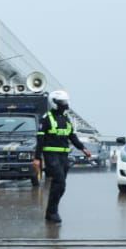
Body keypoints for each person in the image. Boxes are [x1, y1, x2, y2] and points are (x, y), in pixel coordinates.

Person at [34, 90, 92, 224]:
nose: (65, 105)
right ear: (54, 103)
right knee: (59, 181)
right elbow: (40, 139)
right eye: (62, 102)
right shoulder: (46, 118)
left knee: (62, 185)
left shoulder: (66, 118)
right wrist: (37, 158)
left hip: (64, 155)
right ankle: (53, 212)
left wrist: (83, 148)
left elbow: (72, 136)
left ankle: (50, 211)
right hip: (51, 155)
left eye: (66, 102)